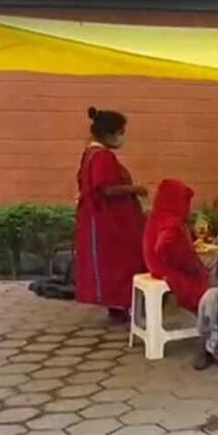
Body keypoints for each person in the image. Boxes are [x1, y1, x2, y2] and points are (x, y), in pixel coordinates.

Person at [74, 107, 148, 322]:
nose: (122, 138)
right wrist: (136, 189)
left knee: (112, 263)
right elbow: (105, 188)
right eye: (121, 132)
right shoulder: (102, 157)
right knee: (120, 263)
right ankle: (119, 303)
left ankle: (117, 305)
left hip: (100, 217)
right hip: (109, 220)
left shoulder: (90, 154)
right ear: (109, 134)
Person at [142, 178, 208, 313]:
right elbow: (165, 246)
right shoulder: (171, 222)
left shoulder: (159, 214)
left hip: (154, 262)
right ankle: (210, 308)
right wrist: (189, 265)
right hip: (167, 268)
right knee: (216, 264)